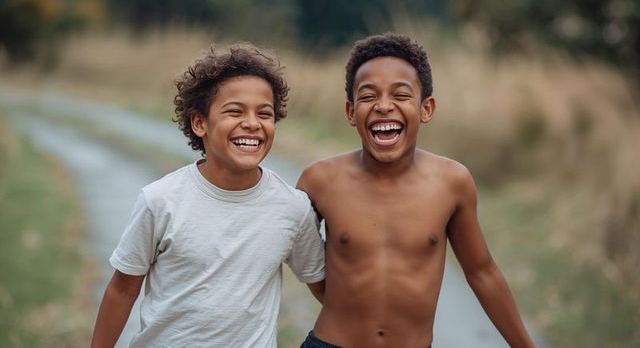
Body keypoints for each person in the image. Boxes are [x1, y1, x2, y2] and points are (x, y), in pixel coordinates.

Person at [297, 33, 535, 348]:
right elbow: (299, 260)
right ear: (351, 112)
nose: (383, 106)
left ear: (426, 108)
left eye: (401, 94)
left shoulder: (452, 182)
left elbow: (482, 272)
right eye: (368, 96)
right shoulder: (319, 181)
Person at [90, 44, 325, 348]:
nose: (253, 123)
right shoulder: (161, 200)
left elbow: (326, 291)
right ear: (200, 123)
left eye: (264, 114)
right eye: (235, 111)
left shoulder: (292, 208)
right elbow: (122, 290)